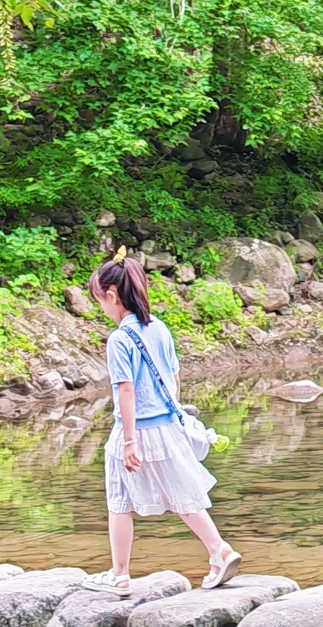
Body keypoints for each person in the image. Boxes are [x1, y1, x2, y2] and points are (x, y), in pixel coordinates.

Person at [83, 248, 241, 596]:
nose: (103, 310)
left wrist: (128, 441)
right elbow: (174, 375)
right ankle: (219, 550)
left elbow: (125, 391)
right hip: (168, 426)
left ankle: (119, 574)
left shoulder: (120, 338)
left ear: (112, 295)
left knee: (118, 500)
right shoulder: (158, 327)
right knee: (185, 495)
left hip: (136, 430)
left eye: (101, 302)